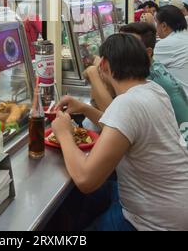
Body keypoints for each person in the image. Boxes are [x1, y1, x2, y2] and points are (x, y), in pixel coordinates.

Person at [54, 34, 188, 231]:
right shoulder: (153, 89)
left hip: (152, 222)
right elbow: (121, 128)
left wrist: (63, 133)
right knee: (89, 197)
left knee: (85, 193)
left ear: (105, 65)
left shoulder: (127, 104)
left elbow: (85, 179)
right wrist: (84, 108)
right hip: (172, 205)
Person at [120, 22, 188, 128]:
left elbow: (120, 121)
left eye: (128, 46)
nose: (119, 50)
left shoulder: (150, 80)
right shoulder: (154, 66)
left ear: (148, 52)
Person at [154, 6, 188, 97]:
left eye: (156, 23)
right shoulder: (184, 37)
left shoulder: (167, 44)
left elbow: (144, 70)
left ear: (164, 26)